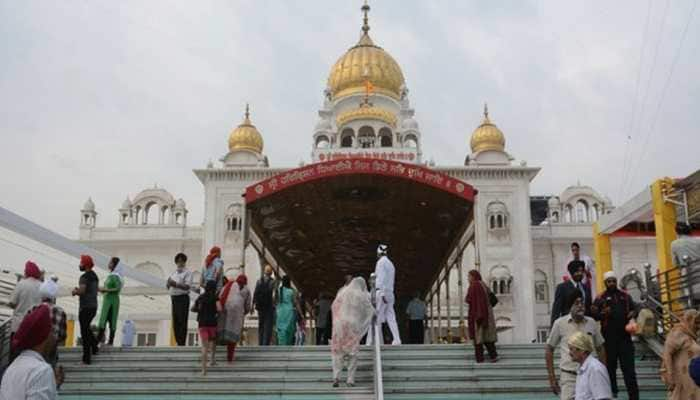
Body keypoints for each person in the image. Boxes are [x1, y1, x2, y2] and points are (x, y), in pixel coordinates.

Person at [546, 290, 606, 400]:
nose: (580, 306)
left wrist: (603, 370)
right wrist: (552, 377)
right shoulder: (559, 323)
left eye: (582, 303)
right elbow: (549, 349)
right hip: (569, 377)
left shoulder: (591, 323)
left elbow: (600, 348)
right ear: (570, 307)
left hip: (589, 375)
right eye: (576, 303)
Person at [591, 270, 639, 400]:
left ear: (616, 282)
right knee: (609, 370)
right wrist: (603, 314)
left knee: (629, 371)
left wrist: (632, 314)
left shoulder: (625, 296)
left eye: (613, 281)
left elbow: (635, 308)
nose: (611, 283)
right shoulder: (600, 298)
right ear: (605, 283)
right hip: (608, 340)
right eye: (609, 281)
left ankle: (634, 397)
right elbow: (593, 315)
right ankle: (612, 395)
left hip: (625, 339)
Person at [0, 304, 58, 399]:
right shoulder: (41, 370)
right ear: (44, 337)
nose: (54, 337)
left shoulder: (12, 367)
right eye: (51, 331)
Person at [331, 277, 374, 387]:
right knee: (353, 354)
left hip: (339, 326)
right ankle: (350, 379)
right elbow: (370, 309)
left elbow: (334, 306)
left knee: (337, 353)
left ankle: (336, 377)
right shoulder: (360, 295)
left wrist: (337, 321)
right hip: (352, 327)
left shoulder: (342, 292)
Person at [661, 309, 700, 399]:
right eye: (696, 322)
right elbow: (667, 354)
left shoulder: (694, 335)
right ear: (688, 320)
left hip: (693, 377)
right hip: (680, 377)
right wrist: (670, 374)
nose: (698, 326)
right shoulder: (677, 333)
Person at [568, 331, 613, 400]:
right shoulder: (583, 368)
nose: (569, 353)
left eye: (571, 349)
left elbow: (603, 398)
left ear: (582, 350)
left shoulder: (595, 369)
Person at [71, 254, 99, 364]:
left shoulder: (84, 277)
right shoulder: (95, 276)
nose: (80, 265)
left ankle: (86, 359)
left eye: (81, 262)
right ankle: (95, 346)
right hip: (93, 306)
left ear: (85, 264)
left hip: (85, 307)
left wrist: (75, 291)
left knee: (84, 332)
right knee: (87, 329)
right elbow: (91, 290)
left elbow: (82, 291)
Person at [38, 279, 66, 386]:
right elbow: (63, 336)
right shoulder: (60, 311)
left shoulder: (35, 309)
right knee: (50, 374)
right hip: (52, 348)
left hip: (37, 349)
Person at [465, 270, 498, 362]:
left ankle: (480, 359)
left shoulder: (475, 285)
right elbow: (492, 300)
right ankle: (493, 356)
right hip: (486, 313)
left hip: (479, 314)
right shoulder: (483, 284)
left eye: (469, 276)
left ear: (473, 276)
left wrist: (479, 316)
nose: (468, 279)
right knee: (487, 336)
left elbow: (473, 300)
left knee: (478, 337)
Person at [218, 274, 251, 363]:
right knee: (232, 336)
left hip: (229, 314)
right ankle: (229, 356)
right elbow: (248, 305)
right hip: (233, 315)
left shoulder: (230, 285)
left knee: (228, 335)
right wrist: (244, 312)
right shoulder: (245, 289)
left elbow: (221, 295)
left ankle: (227, 356)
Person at [8, 261, 43, 344]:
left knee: (15, 353)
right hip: (34, 327)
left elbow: (12, 303)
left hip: (18, 326)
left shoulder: (21, 284)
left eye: (25, 271)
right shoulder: (42, 286)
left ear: (27, 272)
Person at [374, 244, 401, 345]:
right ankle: (397, 339)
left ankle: (378, 341)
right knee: (391, 316)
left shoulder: (381, 263)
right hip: (390, 292)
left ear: (378, 253)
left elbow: (381, 278)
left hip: (382, 292)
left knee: (378, 318)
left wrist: (382, 293)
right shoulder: (390, 263)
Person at [551, 260, 591, 325]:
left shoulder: (585, 288)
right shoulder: (562, 288)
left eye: (581, 271)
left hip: (584, 325)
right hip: (568, 324)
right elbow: (556, 311)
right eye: (577, 271)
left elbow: (588, 308)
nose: (580, 274)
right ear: (572, 272)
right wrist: (553, 330)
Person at [671, 222, 700, 306]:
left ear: (677, 232)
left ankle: (690, 308)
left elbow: (675, 263)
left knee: (686, 295)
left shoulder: (674, 244)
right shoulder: (698, 240)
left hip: (687, 272)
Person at [193, 281, 219, 375]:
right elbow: (219, 309)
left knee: (204, 346)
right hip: (212, 323)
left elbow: (193, 308)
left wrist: (200, 310)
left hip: (202, 323)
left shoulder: (201, 297)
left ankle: (203, 370)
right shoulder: (215, 297)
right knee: (213, 342)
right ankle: (212, 360)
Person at [167, 252, 193, 346]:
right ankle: (178, 341)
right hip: (174, 298)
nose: (180, 263)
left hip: (183, 298)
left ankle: (182, 342)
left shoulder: (188, 273)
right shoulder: (174, 272)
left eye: (182, 261)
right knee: (176, 320)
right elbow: (169, 284)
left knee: (182, 320)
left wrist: (176, 284)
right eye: (178, 262)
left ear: (185, 262)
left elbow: (187, 286)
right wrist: (169, 283)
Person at [97, 257, 123, 346]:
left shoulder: (115, 276)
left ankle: (109, 340)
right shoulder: (110, 275)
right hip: (107, 299)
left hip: (112, 300)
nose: (108, 264)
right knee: (103, 319)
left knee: (111, 320)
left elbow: (118, 288)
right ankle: (99, 339)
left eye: (110, 263)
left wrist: (106, 290)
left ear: (115, 265)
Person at [253, 265, 276, 346]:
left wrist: (253, 305)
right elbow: (273, 296)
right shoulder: (273, 282)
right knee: (268, 325)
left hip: (260, 306)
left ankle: (260, 342)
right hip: (269, 306)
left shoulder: (259, 281)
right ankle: (266, 343)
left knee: (261, 324)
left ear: (264, 272)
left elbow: (255, 293)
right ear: (271, 272)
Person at [276, 275, 301, 345]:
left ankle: (281, 344)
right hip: (289, 311)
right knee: (289, 329)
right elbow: (296, 303)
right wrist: (301, 314)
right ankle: (288, 344)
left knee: (281, 329)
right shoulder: (291, 291)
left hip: (280, 311)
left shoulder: (279, 290)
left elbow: (274, 300)